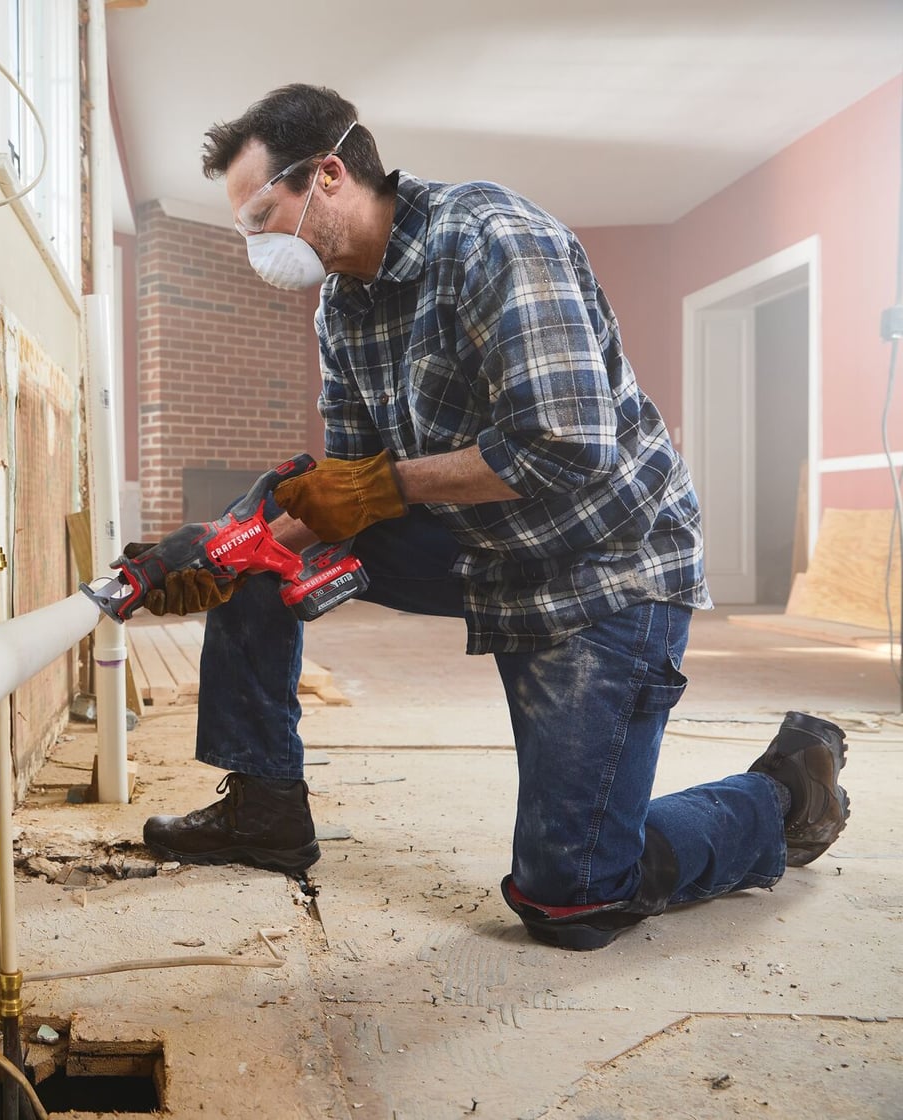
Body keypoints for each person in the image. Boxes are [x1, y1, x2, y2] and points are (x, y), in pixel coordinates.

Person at [135, 83, 850, 950]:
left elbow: (568, 442)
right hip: (479, 542)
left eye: (259, 212)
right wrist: (228, 553)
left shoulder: (491, 240)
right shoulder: (343, 308)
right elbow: (345, 488)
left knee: (573, 897)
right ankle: (265, 806)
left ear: (327, 174)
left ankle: (786, 791)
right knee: (269, 508)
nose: (252, 240)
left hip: (601, 562)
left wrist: (377, 489)